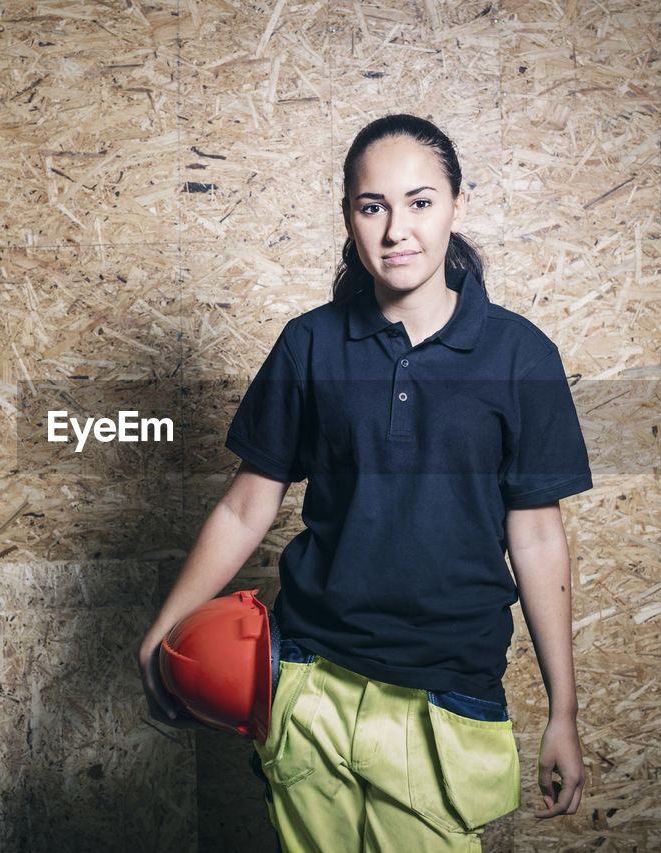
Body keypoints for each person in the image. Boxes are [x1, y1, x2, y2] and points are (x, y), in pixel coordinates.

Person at [139, 114, 591, 851]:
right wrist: (165, 628)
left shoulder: (520, 354)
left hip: (444, 693)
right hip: (308, 678)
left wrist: (563, 711)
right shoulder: (309, 343)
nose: (395, 231)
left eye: (420, 202)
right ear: (349, 215)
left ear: (458, 206)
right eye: (371, 206)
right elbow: (247, 504)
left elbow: (537, 537)